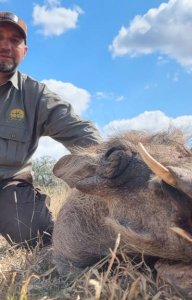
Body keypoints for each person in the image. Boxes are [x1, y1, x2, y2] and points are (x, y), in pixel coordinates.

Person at [0, 12, 102, 248]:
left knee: (36, 235)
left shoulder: (35, 95)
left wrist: (113, 160)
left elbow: (79, 130)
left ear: (24, 51)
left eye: (15, 40)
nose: (6, 45)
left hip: (8, 187)